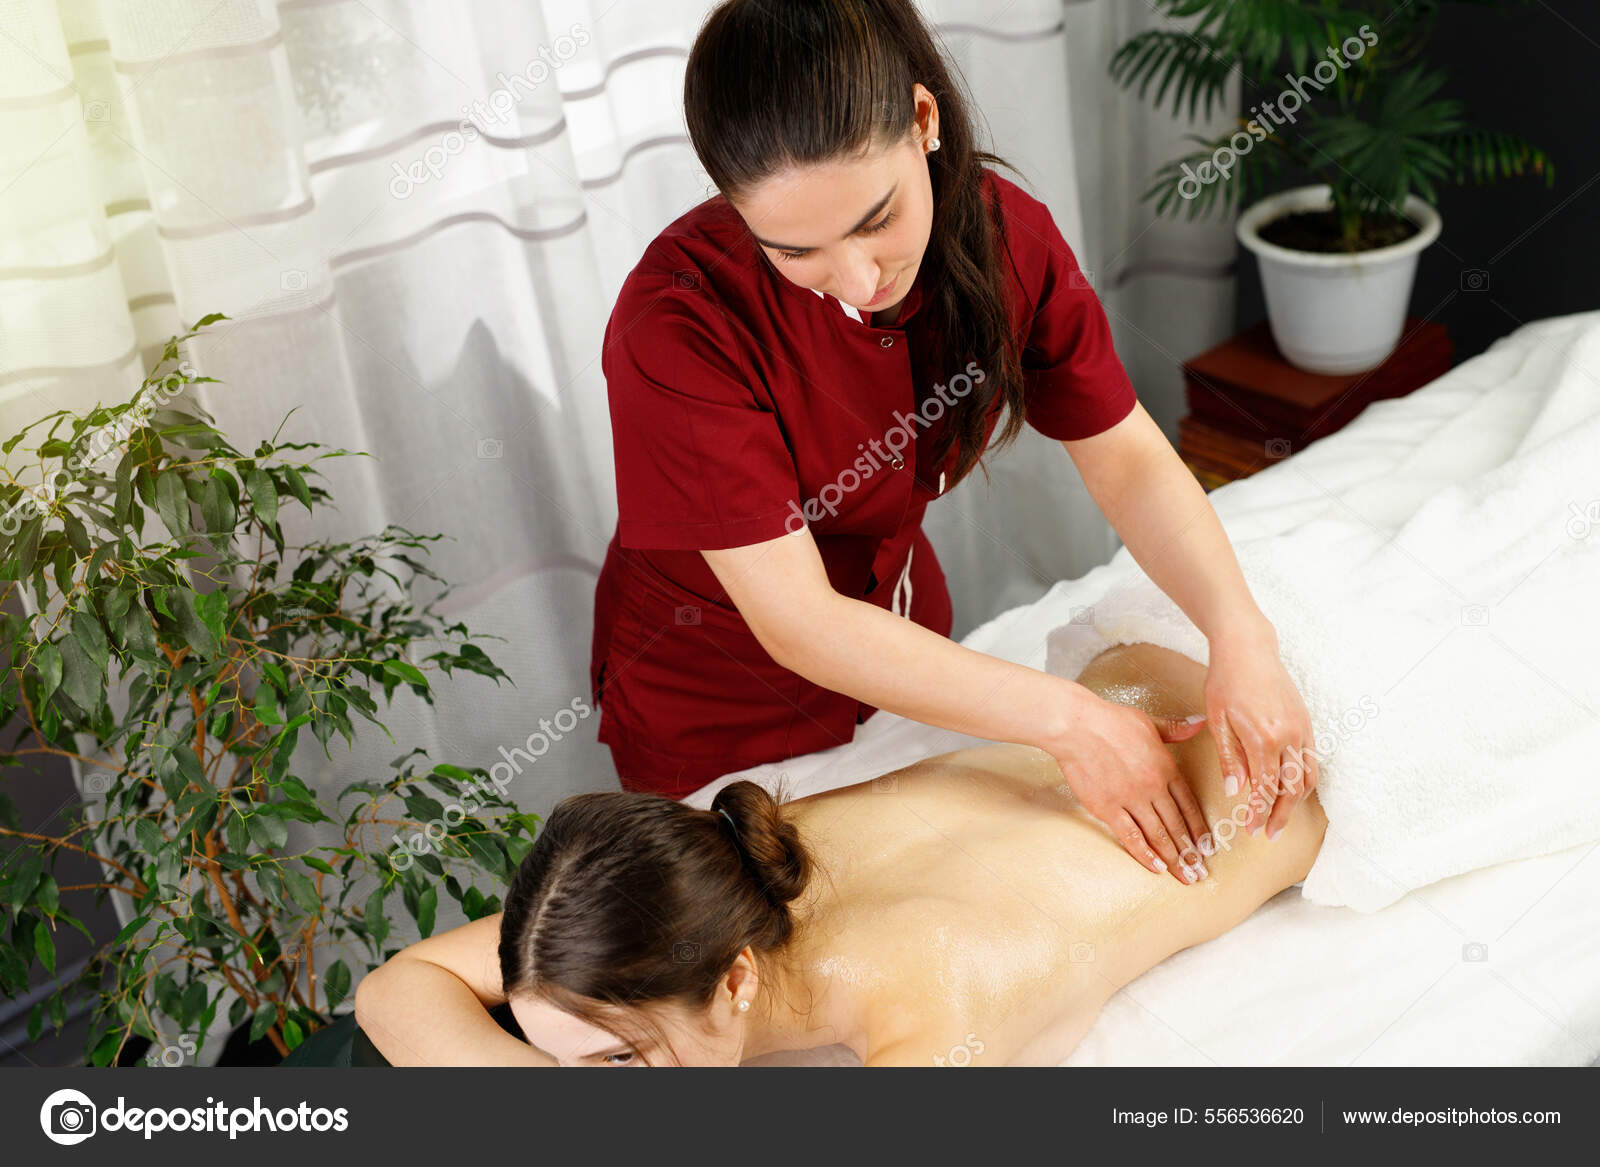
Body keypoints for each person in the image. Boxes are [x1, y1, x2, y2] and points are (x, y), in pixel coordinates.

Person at [591, 0, 1319, 881]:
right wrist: (1074, 722)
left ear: (923, 118)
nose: (856, 279)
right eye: (794, 252)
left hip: (906, 651)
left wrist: (1238, 629)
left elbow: (1126, 456)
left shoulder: (1007, 235)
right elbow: (800, 621)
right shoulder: (675, 325)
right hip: (714, 703)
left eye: (875, 220)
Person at [353, 642, 1328, 1067]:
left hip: (1302, 772)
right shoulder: (705, 870)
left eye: (618, 1061)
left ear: (737, 979)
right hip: (1143, 675)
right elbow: (396, 987)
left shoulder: (929, 998)